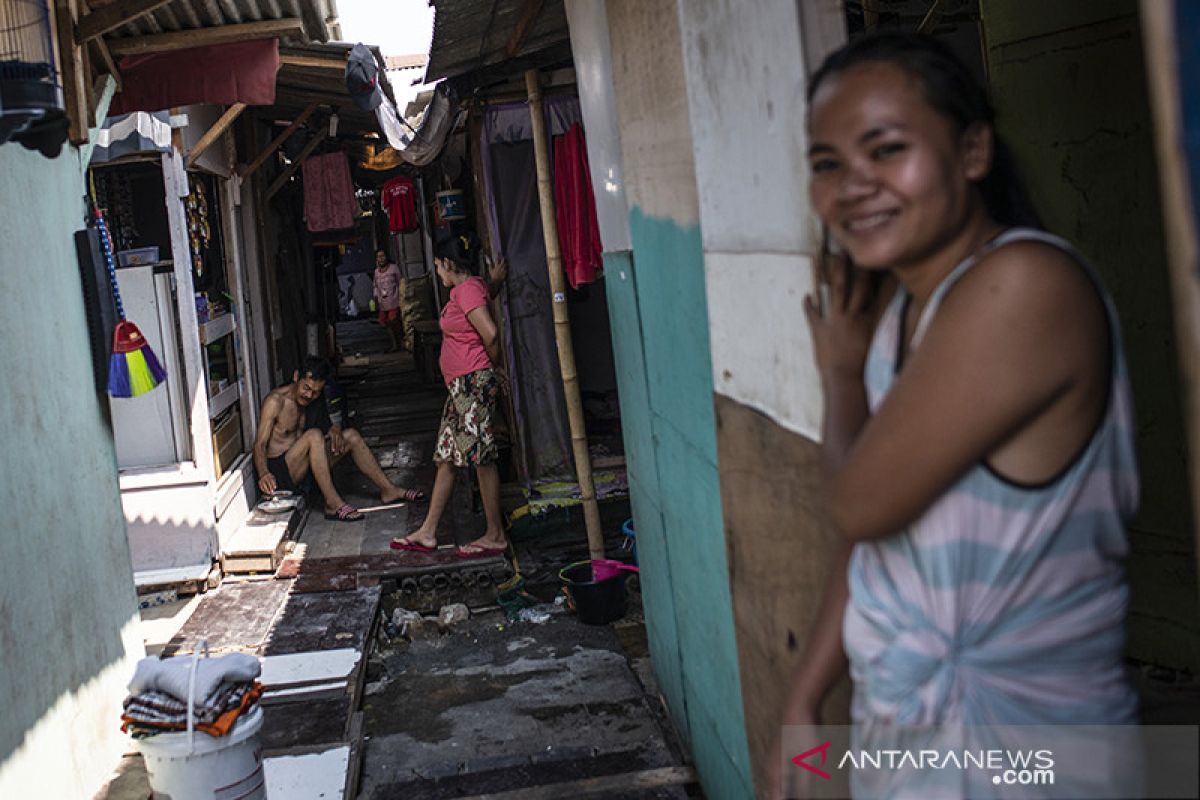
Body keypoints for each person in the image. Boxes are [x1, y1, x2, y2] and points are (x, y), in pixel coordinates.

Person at [777, 32, 1138, 792]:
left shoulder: (1023, 288)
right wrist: (805, 699)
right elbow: (886, 543)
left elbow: (860, 505)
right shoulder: (910, 312)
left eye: (886, 149)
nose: (852, 186)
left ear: (972, 151)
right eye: (826, 164)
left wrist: (839, 373)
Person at [391, 236, 509, 558]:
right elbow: (479, 307)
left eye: (438, 267)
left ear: (448, 263)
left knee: (481, 458)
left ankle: (495, 534)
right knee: (446, 458)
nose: (438, 273)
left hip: (471, 384)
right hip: (461, 388)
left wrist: (493, 368)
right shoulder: (473, 288)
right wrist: (493, 283)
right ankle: (428, 532)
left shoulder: (466, 289)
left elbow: (491, 333)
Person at [254, 356, 425, 521]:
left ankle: (389, 490)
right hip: (282, 474)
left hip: (305, 468)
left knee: (351, 436)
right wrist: (264, 473)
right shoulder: (275, 402)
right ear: (296, 376)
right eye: (306, 388)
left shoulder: (315, 397)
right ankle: (332, 503)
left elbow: (324, 426)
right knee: (313, 436)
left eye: (315, 392)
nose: (309, 395)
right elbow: (260, 444)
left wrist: (334, 429)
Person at [372, 249, 403, 351]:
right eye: (378, 257)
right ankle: (394, 343)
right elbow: (375, 286)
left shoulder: (393, 268)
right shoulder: (376, 272)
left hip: (394, 300)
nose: (381, 259)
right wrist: (376, 297)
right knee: (384, 322)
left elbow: (400, 282)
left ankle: (400, 342)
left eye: (382, 256)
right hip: (383, 303)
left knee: (393, 320)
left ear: (386, 257)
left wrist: (401, 297)